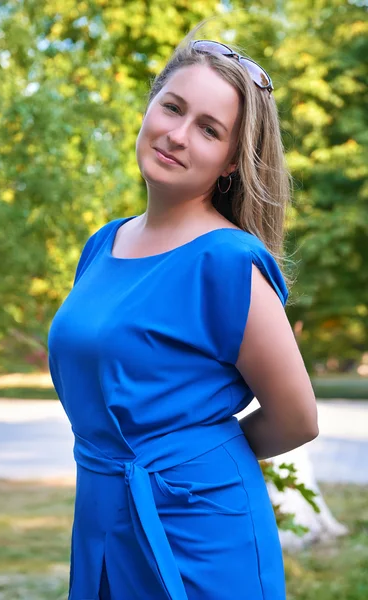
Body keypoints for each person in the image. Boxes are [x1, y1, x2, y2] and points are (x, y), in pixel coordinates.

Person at [48, 25, 319, 600]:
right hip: (100, 513)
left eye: (209, 129)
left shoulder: (226, 262)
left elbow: (296, 418)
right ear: (149, 107)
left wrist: (185, 458)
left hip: (199, 529)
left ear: (229, 162)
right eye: (172, 107)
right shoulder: (103, 244)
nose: (176, 134)